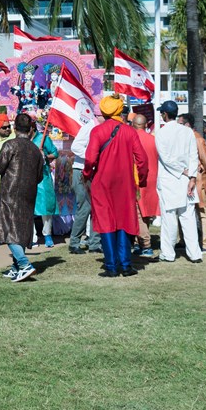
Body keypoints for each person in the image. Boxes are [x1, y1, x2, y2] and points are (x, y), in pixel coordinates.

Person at [84, 94, 148, 277]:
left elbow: (89, 159)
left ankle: (111, 266)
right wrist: (141, 180)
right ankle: (126, 265)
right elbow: (142, 160)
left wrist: (87, 174)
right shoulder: (130, 132)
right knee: (125, 220)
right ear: (120, 111)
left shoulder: (97, 131)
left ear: (103, 112)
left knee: (106, 222)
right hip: (125, 184)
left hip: (102, 183)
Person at [0, 112, 46, 281]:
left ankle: (24, 263)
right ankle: (16, 266)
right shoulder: (36, 150)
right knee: (21, 228)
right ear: (31, 129)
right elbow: (39, 176)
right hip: (29, 192)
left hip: (10, 192)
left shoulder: (10, 145)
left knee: (8, 229)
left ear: (14, 128)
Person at [154, 101, 204, 263]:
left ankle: (168, 254)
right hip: (185, 178)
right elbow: (193, 155)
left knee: (170, 219)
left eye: (162, 113)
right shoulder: (187, 131)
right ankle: (194, 254)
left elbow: (166, 158)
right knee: (188, 217)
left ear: (165, 114)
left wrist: (186, 173)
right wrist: (192, 176)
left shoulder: (161, 133)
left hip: (171, 179)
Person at [180, 113, 206, 250]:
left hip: (199, 179)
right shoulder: (182, 138)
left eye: (180, 123)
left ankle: (205, 243)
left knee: (202, 212)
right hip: (184, 179)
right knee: (183, 210)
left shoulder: (198, 139)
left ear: (187, 125)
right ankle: (183, 241)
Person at [67, 115, 101, 256]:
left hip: (91, 171)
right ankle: (74, 242)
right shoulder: (88, 128)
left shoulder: (96, 127)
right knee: (85, 207)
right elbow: (75, 146)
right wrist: (92, 157)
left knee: (95, 208)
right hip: (81, 170)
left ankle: (94, 243)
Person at [130, 112, 159, 258]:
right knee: (145, 212)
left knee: (138, 212)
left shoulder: (131, 139)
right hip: (152, 179)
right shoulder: (153, 140)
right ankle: (138, 243)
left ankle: (146, 245)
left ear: (133, 125)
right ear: (146, 125)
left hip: (138, 179)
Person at [30, 113, 58, 248]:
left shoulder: (43, 138)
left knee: (45, 207)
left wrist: (45, 155)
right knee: (27, 208)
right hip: (26, 177)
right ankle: (32, 237)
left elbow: (55, 153)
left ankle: (47, 235)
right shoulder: (20, 139)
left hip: (43, 176)